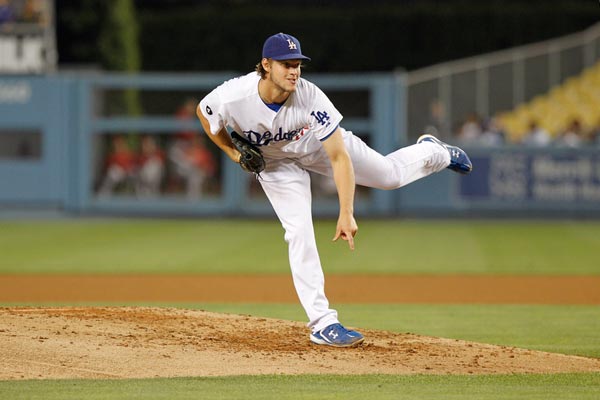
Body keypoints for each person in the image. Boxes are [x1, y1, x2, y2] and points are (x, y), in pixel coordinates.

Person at [196, 33, 472, 348]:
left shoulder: (310, 97)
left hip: (316, 148)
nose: (294, 71)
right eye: (286, 64)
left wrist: (346, 212)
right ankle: (323, 323)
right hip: (274, 165)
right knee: (298, 232)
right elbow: (206, 116)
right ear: (265, 65)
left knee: (390, 176)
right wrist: (234, 154)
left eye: (297, 64)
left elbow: (339, 157)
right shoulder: (233, 96)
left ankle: (434, 152)